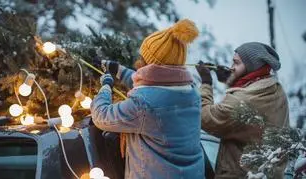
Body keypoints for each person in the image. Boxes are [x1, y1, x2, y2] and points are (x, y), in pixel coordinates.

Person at [90, 19, 204, 179]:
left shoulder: (144, 105)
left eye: (142, 57)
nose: (138, 61)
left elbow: (102, 116)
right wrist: (119, 71)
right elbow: (155, 87)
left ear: (150, 64)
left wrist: (106, 87)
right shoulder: (191, 93)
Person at [196, 42, 290, 178]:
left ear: (252, 67)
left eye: (236, 63)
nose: (232, 67)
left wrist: (206, 82)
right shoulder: (276, 90)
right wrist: (231, 79)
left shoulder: (242, 102)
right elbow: (246, 96)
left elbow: (205, 117)